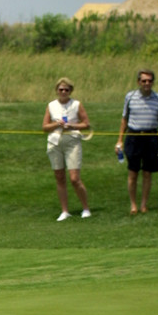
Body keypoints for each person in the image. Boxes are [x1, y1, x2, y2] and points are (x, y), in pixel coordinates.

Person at [116, 69, 158, 214]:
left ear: (153, 82)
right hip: (134, 137)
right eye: (144, 81)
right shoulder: (130, 97)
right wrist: (119, 140)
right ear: (138, 82)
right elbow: (124, 119)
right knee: (133, 173)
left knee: (147, 173)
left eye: (149, 81)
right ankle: (133, 205)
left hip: (151, 138)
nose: (147, 83)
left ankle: (144, 205)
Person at [42, 78, 91, 221]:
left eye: (66, 90)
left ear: (70, 91)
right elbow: (45, 127)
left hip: (72, 142)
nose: (63, 92)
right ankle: (65, 211)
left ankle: (86, 208)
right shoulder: (51, 105)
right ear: (57, 91)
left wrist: (71, 125)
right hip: (54, 142)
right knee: (59, 177)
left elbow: (86, 124)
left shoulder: (76, 104)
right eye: (61, 89)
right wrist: (56, 124)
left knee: (74, 178)